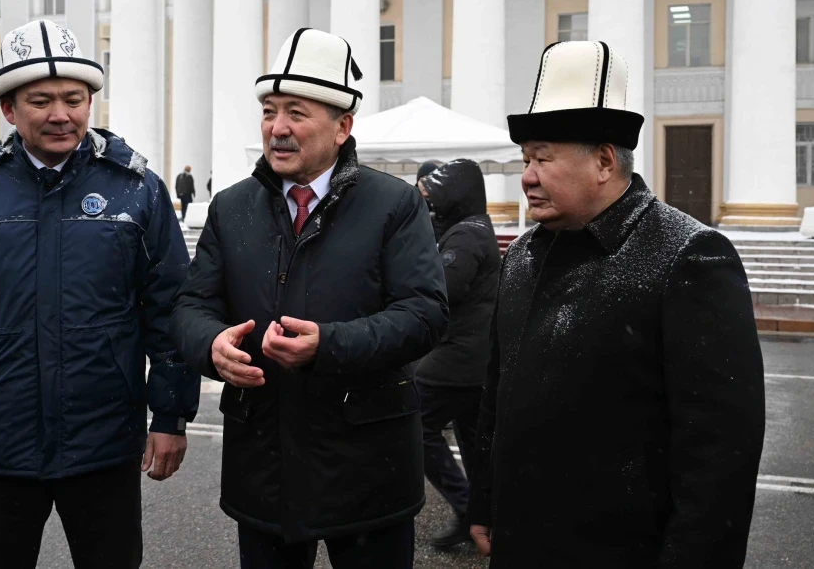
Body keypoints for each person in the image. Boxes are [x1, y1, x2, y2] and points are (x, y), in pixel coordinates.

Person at [0, 19, 200, 569]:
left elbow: (170, 310)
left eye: (74, 99)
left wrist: (170, 416)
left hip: (105, 442)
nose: (61, 114)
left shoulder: (136, 190)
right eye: (41, 101)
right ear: (9, 110)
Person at [468, 41, 765, 568]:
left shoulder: (687, 256)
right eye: (526, 158)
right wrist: (486, 500)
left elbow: (719, 453)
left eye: (543, 158)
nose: (527, 175)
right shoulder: (524, 256)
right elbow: (498, 393)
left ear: (604, 161)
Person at [170, 28, 448, 568]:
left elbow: (425, 314)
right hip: (264, 468)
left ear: (342, 127)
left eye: (296, 113)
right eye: (269, 112)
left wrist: (330, 345)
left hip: (368, 470)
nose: (278, 128)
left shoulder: (393, 204)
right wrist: (211, 345)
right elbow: (189, 307)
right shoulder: (231, 208)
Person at [415, 159, 501, 549]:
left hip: (458, 356)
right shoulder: (473, 227)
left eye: (437, 194)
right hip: (477, 357)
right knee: (474, 441)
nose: (433, 202)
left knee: (416, 425)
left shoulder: (466, 236)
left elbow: (442, 291)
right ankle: (482, 515)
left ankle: (468, 509)